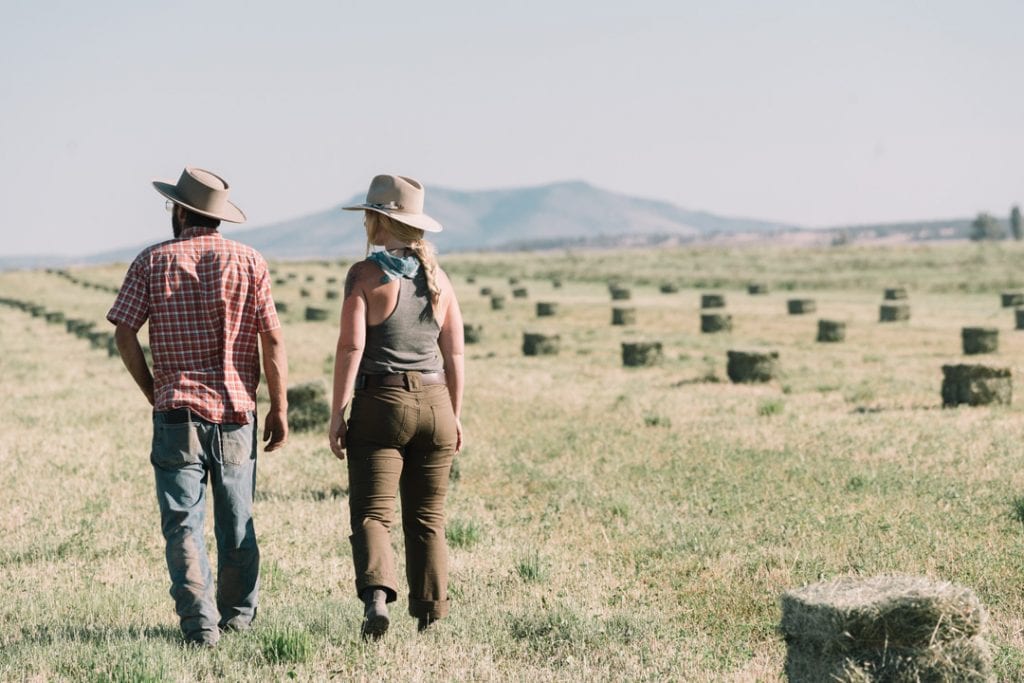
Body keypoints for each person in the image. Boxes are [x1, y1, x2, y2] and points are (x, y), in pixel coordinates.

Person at [107, 167, 288, 647]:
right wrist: (280, 407)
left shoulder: (152, 260)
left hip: (176, 412)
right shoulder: (250, 260)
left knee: (183, 524)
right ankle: (239, 620)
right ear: (218, 216)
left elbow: (124, 330)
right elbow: (272, 339)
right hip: (236, 412)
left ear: (181, 210)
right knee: (237, 521)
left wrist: (153, 388)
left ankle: (198, 627)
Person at [329, 174, 464, 639]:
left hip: (381, 402)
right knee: (428, 518)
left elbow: (350, 348)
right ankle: (429, 614)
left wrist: (337, 413)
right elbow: (456, 354)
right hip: (436, 402)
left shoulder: (365, 276)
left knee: (372, 512)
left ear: (377, 220)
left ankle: (377, 601)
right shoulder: (439, 278)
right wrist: (456, 413)